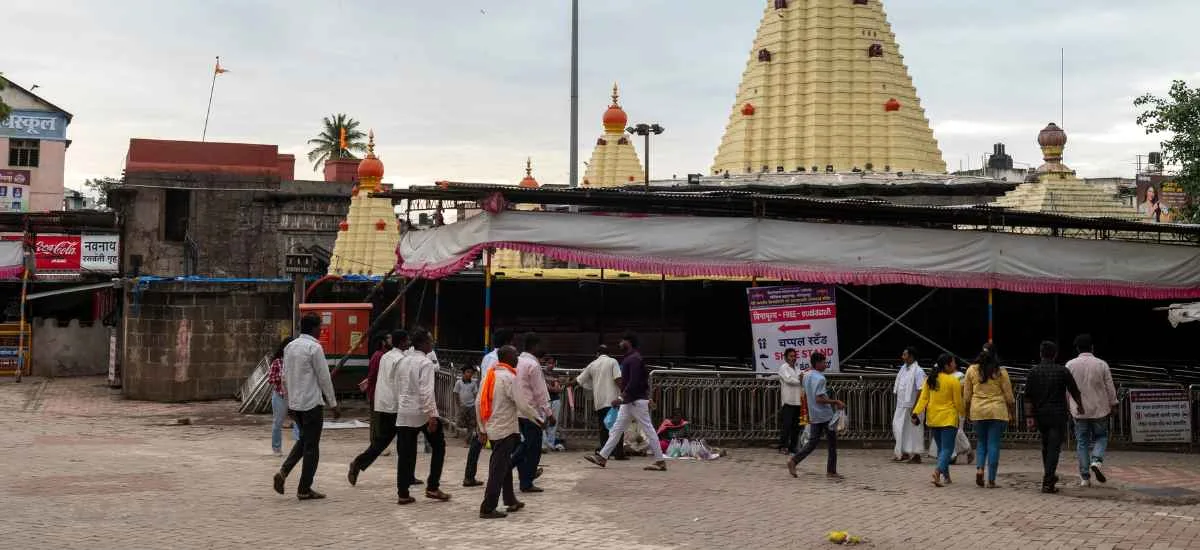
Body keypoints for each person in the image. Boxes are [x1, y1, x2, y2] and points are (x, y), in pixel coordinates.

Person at [273, 313, 339, 501]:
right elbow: (324, 378)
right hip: (311, 404)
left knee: (304, 441)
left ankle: (284, 471)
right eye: (320, 327)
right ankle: (304, 488)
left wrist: (288, 402)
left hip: (296, 405)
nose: (321, 330)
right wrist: (333, 404)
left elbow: (285, 377)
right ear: (314, 328)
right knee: (312, 447)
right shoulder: (314, 348)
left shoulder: (290, 347)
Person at [477, 345, 544, 519]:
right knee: (498, 469)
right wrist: (538, 419)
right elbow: (522, 404)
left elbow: (479, 403)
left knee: (504, 465)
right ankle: (488, 507)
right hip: (505, 429)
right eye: (515, 355)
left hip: (493, 427)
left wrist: (482, 428)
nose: (517, 358)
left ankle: (510, 499)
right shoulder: (509, 377)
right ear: (507, 357)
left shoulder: (489, 376)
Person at [584, 332, 668, 472]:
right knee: (617, 429)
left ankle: (660, 461)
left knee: (648, 429)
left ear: (628, 342)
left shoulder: (634, 359)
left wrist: (621, 397)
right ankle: (602, 457)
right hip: (630, 401)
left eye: (622, 341)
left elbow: (634, 381)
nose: (619, 344)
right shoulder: (631, 358)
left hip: (634, 401)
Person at [393, 328, 451, 504]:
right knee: (439, 447)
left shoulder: (403, 360)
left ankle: (403, 492)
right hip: (421, 412)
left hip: (404, 410)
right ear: (424, 344)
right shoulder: (425, 363)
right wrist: (432, 415)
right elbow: (427, 392)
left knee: (405, 453)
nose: (432, 344)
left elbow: (397, 385)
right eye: (430, 341)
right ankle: (433, 486)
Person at [348, 329, 408, 487]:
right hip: (396, 406)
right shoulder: (398, 359)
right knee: (403, 441)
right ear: (402, 342)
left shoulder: (385, 357)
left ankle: (359, 463)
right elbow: (399, 384)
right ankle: (407, 476)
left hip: (386, 404)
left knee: (383, 440)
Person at [1024, 341, 1085, 493]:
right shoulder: (1062, 371)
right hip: (1058, 415)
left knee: (1046, 446)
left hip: (1041, 415)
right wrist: (1080, 406)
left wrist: (1029, 417)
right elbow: (1074, 391)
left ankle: (1049, 476)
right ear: (1055, 354)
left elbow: (1027, 397)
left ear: (1040, 353)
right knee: (1054, 448)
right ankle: (1048, 480)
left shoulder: (1033, 372)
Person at [1065, 334, 1117, 487]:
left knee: (1082, 442)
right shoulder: (1102, 364)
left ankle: (1085, 478)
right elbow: (1110, 386)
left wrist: (1069, 406)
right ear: (1092, 347)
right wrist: (1113, 403)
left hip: (1079, 411)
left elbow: (1066, 390)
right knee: (1101, 437)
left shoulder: (1070, 365)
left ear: (1077, 348)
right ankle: (1096, 460)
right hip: (1099, 409)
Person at [964, 343, 1015, 488]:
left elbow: (967, 396)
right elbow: (1010, 397)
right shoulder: (1001, 372)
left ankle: (980, 469)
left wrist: (967, 412)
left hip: (978, 411)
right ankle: (991, 480)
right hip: (997, 411)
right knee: (993, 444)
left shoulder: (971, 370)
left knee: (981, 443)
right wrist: (1012, 414)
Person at [786, 352, 844, 480]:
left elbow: (801, 380)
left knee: (812, 442)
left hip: (814, 413)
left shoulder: (807, 375)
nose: (825, 364)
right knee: (832, 443)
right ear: (817, 363)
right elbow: (819, 398)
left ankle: (794, 460)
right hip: (825, 414)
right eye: (824, 362)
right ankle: (831, 471)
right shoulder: (820, 378)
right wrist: (835, 402)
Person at [912, 354, 965, 487]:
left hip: (933, 418)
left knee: (942, 449)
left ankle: (946, 476)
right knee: (948, 449)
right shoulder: (953, 381)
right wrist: (965, 414)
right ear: (947, 366)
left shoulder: (930, 379)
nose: (955, 365)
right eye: (953, 363)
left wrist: (915, 413)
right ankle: (937, 472)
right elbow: (958, 402)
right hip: (949, 418)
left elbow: (923, 399)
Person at [513, 333, 554, 492]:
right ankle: (524, 479)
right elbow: (540, 392)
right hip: (531, 412)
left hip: (517, 410)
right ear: (534, 346)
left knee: (525, 445)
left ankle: (524, 478)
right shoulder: (533, 365)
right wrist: (549, 413)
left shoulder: (516, 360)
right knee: (532, 448)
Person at [574, 345, 627, 460]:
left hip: (599, 402)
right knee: (617, 427)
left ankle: (604, 453)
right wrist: (624, 393)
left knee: (603, 428)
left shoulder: (592, 364)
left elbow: (579, 380)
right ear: (608, 353)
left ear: (597, 354)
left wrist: (567, 384)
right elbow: (618, 378)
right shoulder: (613, 361)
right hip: (613, 401)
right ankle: (618, 453)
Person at [892, 346, 926, 463]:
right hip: (901, 405)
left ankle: (917, 456)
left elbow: (921, 390)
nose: (902, 357)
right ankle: (904, 452)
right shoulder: (903, 369)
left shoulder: (918, 371)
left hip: (913, 406)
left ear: (911, 357)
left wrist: (916, 408)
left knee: (914, 431)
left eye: (904, 355)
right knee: (898, 428)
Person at [267, 336, 299, 456]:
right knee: (278, 423)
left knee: (299, 422)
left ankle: (299, 447)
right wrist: (283, 379)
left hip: (294, 396)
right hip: (280, 396)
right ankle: (276, 448)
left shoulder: (297, 362)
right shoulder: (277, 362)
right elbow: (271, 379)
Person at [456, 366, 485, 488]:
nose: (469, 374)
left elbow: (477, 397)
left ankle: (469, 477)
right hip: (490, 417)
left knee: (476, 443)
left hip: (479, 411)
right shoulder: (494, 374)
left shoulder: (485, 375)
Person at [776, 348, 805, 454]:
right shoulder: (784, 367)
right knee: (786, 425)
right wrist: (800, 380)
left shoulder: (797, 369)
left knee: (796, 427)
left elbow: (803, 379)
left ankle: (793, 447)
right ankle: (782, 446)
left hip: (798, 401)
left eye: (794, 356)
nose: (793, 358)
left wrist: (802, 379)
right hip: (788, 401)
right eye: (791, 356)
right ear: (786, 357)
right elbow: (789, 380)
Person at [542, 355, 566, 452]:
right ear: (546, 363)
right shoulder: (541, 373)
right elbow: (547, 387)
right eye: (549, 363)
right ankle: (543, 444)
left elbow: (559, 389)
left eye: (552, 363)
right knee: (543, 422)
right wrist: (554, 387)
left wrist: (554, 387)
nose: (551, 365)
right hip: (545, 400)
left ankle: (550, 444)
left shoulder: (556, 374)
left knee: (553, 423)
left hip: (555, 400)